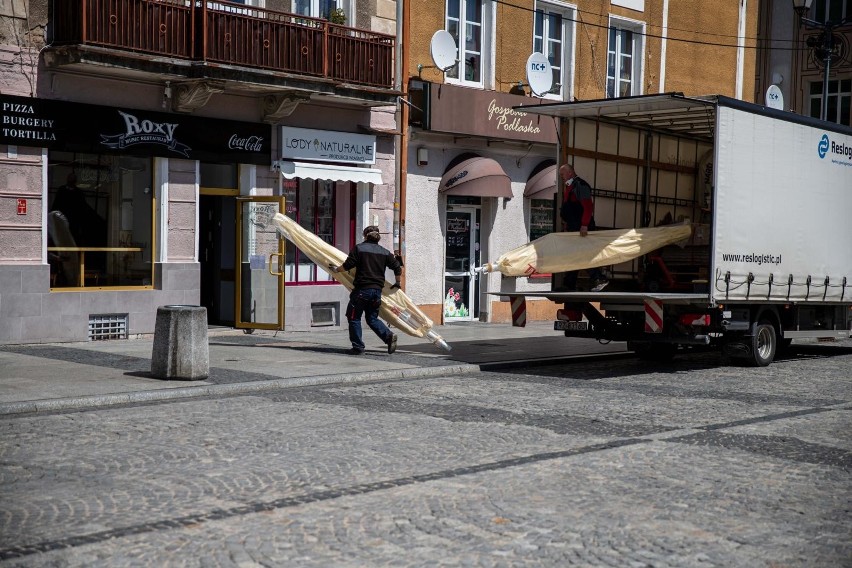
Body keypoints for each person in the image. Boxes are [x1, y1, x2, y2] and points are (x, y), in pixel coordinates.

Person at [329, 225, 402, 355]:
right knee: (372, 318)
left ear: (365, 235)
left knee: (353, 317)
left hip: (362, 291)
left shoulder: (359, 249)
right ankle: (388, 336)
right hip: (377, 292)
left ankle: (358, 347)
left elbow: (347, 265)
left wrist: (336, 270)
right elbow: (397, 267)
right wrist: (398, 282)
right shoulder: (385, 252)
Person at [559, 163, 608, 292]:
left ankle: (600, 278)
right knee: (573, 256)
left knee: (581, 255)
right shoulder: (570, 187)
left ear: (570, 172)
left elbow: (587, 207)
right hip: (574, 227)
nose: (561, 177)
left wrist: (584, 225)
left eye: (562, 174)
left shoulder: (580, 185)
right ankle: (569, 284)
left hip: (582, 228)